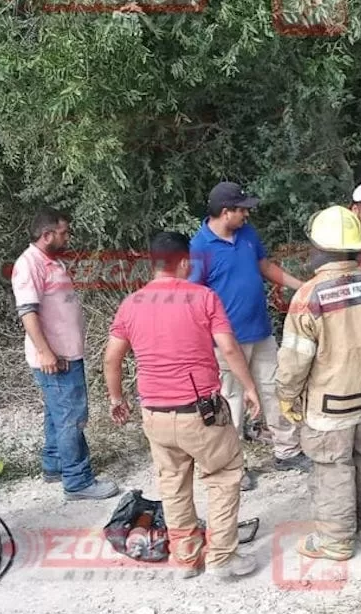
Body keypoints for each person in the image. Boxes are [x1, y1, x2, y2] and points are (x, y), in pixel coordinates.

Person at [103, 231, 262, 580]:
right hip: (201, 412)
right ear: (186, 262)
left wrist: (117, 398)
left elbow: (111, 359)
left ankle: (186, 560)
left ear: (153, 263)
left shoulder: (131, 304)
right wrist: (249, 387)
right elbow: (230, 348)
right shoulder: (204, 297)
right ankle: (222, 558)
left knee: (173, 485)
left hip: (155, 414)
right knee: (222, 477)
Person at [275, 205, 361, 562]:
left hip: (328, 407)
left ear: (318, 248)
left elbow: (294, 362)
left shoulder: (308, 297)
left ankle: (335, 541)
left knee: (333, 469)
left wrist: (287, 397)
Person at [189, 181, 310, 491]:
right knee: (231, 404)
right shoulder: (199, 248)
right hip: (226, 341)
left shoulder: (247, 235)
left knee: (276, 390)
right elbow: (193, 296)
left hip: (261, 331)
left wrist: (302, 288)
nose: (247, 215)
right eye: (242, 209)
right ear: (226, 212)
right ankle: (233, 467)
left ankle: (287, 451)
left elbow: (265, 266)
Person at [11, 207, 121, 500]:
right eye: (63, 232)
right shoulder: (29, 264)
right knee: (72, 416)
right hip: (55, 358)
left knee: (56, 412)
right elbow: (28, 313)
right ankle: (78, 480)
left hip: (65, 354)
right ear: (47, 235)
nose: (68, 237)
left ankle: (55, 464)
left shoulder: (51, 261)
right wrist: (46, 353)